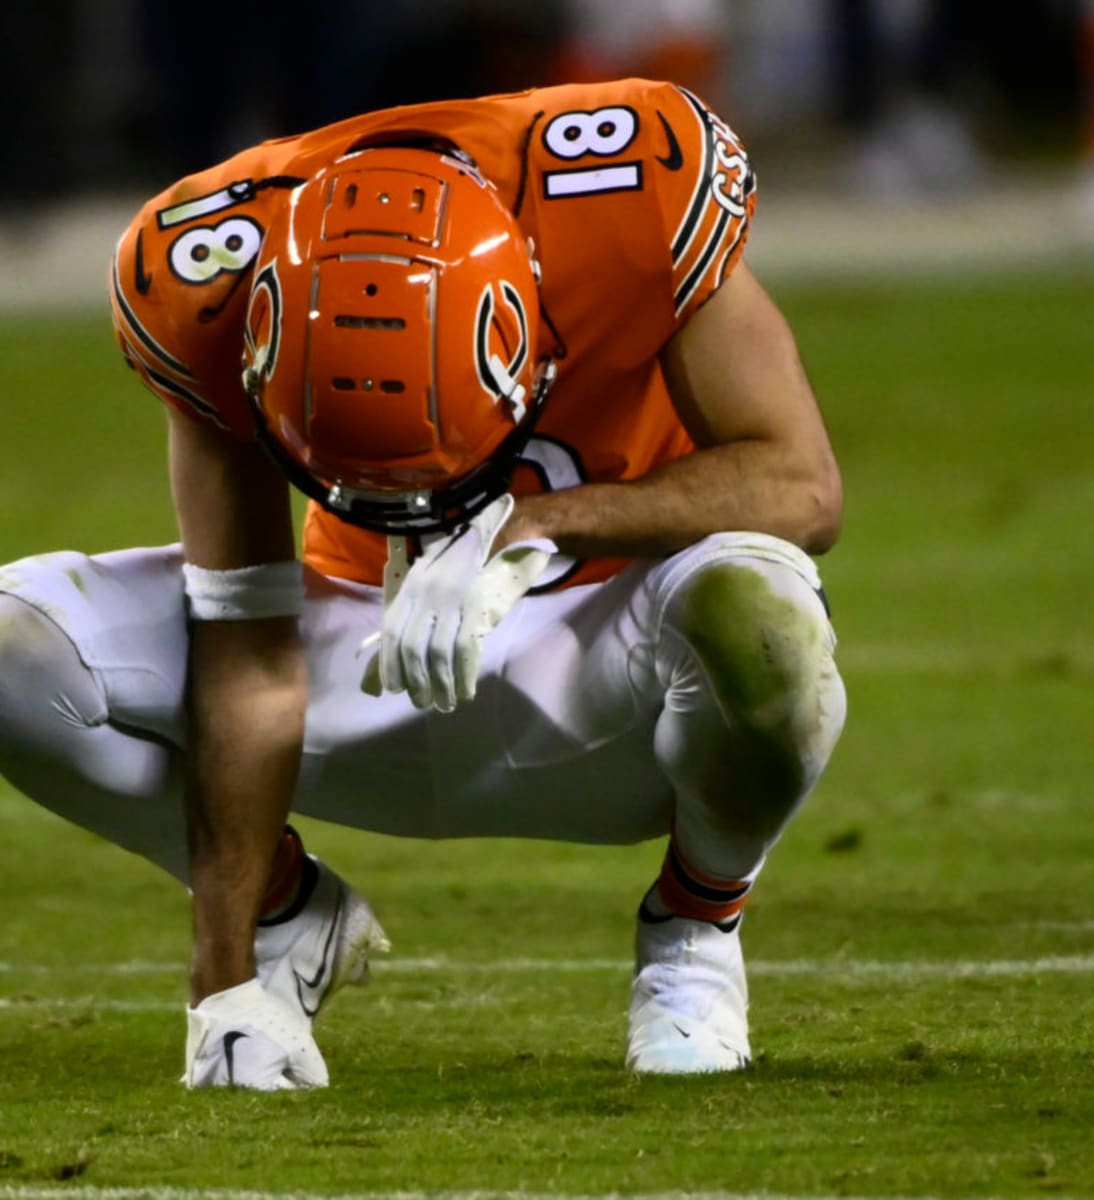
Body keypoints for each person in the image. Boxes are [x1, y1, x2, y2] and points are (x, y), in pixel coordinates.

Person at [0, 77, 846, 1088]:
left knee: (763, 619)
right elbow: (248, 644)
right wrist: (223, 983)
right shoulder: (203, 278)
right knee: (12, 649)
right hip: (351, 648)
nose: (409, 512)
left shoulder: (627, 188)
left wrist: (537, 521)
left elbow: (799, 484)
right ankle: (289, 914)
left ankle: (695, 935)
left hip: (607, 642)